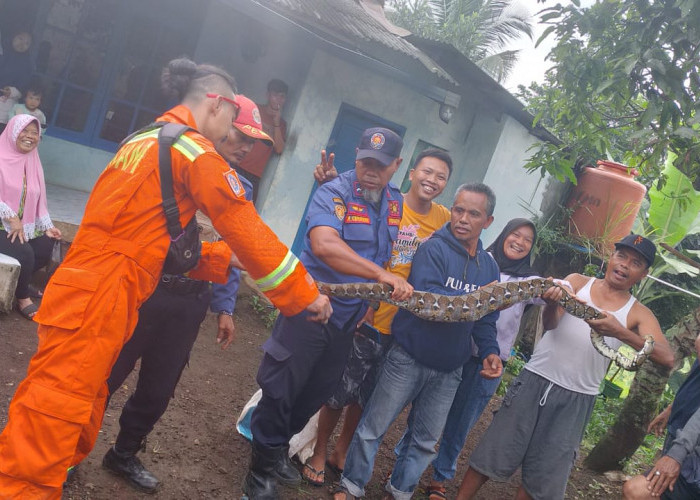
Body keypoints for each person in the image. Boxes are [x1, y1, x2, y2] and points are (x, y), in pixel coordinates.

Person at [0, 57, 331, 499]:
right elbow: (241, 221)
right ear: (216, 105)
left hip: (93, 291)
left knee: (78, 401)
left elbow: (142, 240)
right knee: (52, 414)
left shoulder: (144, 138)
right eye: (233, 119)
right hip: (102, 297)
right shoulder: (192, 149)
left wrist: (220, 259)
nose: (235, 136)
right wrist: (304, 293)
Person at [97, 95, 269, 493]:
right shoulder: (176, 163)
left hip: (191, 300)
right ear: (220, 120)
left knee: (159, 388)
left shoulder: (239, 187)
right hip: (148, 287)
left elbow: (231, 248)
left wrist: (225, 307)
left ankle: (122, 454)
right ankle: (67, 451)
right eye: (241, 134)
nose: (246, 146)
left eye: (254, 141)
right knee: (107, 373)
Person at [244, 127, 413, 499]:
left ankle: (273, 450)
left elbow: (383, 250)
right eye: (366, 160)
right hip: (309, 308)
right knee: (283, 386)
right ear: (356, 156)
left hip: (347, 319)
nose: (372, 170)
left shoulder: (395, 203)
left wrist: (368, 306)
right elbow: (323, 244)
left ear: (397, 165)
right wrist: (380, 276)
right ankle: (259, 474)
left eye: (382, 165)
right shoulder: (333, 191)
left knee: (316, 392)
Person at [457, 234, 675, 500]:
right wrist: (550, 304)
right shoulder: (577, 282)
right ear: (611, 257)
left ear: (643, 274)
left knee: (543, 472)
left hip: (578, 397)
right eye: (621, 256)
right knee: (494, 450)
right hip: (536, 378)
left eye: (635, 262)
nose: (625, 265)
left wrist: (620, 332)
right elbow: (550, 324)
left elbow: (666, 357)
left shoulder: (638, 312)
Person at [334, 183, 506, 500]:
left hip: (449, 369)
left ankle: (399, 491)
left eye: (473, 213)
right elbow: (431, 300)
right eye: (458, 210)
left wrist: (490, 352)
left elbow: (484, 320)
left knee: (425, 440)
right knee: (374, 427)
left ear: (488, 221)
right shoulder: (433, 249)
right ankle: (351, 485)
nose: (463, 218)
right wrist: (484, 297)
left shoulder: (489, 267)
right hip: (408, 357)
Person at [303, 148, 453, 487]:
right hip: (367, 314)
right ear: (410, 172)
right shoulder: (388, 203)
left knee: (366, 395)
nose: (432, 180)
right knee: (340, 389)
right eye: (427, 172)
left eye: (441, 176)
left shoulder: (444, 218)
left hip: (403, 327)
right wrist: (327, 180)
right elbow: (348, 203)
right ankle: (318, 449)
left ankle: (341, 451)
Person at [419, 218, 545, 499]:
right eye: (515, 234)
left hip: (489, 363)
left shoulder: (528, 281)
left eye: (527, 239)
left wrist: (565, 287)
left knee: (461, 424)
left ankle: (439, 478)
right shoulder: (480, 261)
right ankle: (408, 467)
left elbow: (552, 292)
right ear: (502, 234)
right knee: (428, 415)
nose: (520, 242)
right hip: (455, 351)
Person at [623, 333, 700, 500]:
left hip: (692, 446)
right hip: (684, 430)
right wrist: (673, 407)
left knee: (638, 491)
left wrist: (677, 454)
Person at [0, 114, 61, 320]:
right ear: (13, 132)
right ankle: (23, 297)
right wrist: (10, 217)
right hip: (2, 225)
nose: (30, 136)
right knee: (25, 253)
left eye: (34, 133)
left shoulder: (33, 161)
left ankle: (21, 283)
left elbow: (37, 199)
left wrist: (47, 227)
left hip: (19, 226)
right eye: (24, 131)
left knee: (45, 245)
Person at [237, 78, 288, 202]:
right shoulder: (255, 110)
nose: (278, 100)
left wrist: (276, 122)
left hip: (254, 175)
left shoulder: (281, 124)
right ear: (268, 95)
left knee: (245, 210)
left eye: (282, 97)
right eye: (275, 95)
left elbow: (279, 149)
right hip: (237, 165)